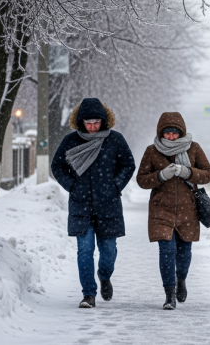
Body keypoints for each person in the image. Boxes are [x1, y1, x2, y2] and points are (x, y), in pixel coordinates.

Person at [51, 98, 136, 309]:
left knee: (109, 251)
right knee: (85, 250)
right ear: (80, 121)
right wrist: (72, 185)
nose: (92, 126)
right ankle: (88, 294)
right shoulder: (71, 141)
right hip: (81, 205)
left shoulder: (115, 140)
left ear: (103, 121)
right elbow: (57, 165)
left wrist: (115, 186)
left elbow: (128, 164)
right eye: (88, 122)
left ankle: (104, 275)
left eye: (96, 122)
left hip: (109, 204)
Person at [136, 112, 210, 310]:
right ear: (160, 133)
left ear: (182, 133)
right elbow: (142, 180)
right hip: (161, 209)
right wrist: (161, 175)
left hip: (188, 209)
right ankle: (169, 294)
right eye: (167, 133)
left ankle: (181, 280)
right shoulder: (152, 151)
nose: (171, 137)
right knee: (166, 251)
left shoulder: (194, 149)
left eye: (175, 133)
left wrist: (188, 172)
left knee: (184, 252)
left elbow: (208, 174)